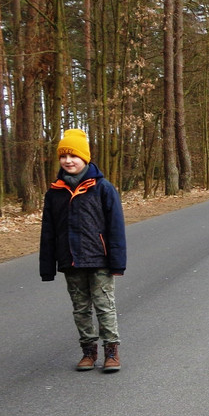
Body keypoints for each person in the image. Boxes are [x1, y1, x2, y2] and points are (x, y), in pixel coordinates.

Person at [40, 129, 127, 373]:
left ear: (85, 158)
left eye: (73, 156)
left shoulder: (102, 188)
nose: (68, 161)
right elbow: (48, 232)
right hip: (71, 261)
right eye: (63, 156)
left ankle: (112, 351)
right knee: (80, 309)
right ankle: (88, 352)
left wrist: (117, 263)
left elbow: (116, 228)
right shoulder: (54, 192)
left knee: (104, 306)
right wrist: (47, 267)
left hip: (99, 259)